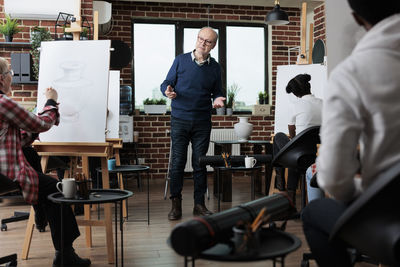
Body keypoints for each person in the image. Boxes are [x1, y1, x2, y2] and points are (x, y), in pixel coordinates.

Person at [301, 0, 400, 266]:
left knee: (314, 212)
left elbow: (334, 181)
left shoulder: (351, 74)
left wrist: (363, 186)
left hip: (391, 221)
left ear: (356, 19)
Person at [0, 57, 91, 267]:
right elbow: (41, 123)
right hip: (5, 174)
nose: (11, 79)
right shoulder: (3, 102)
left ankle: (43, 217)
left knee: (43, 184)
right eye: (10, 75)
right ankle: (65, 256)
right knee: (56, 190)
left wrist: (29, 134)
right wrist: (51, 101)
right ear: (1, 79)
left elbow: (8, 140)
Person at [160, 27, 225, 220]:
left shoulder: (215, 67)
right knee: (178, 163)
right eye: (200, 39)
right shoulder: (180, 60)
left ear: (213, 45)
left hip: (202, 122)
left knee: (199, 164)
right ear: (197, 39)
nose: (203, 43)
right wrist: (167, 91)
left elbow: (218, 91)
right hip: (179, 120)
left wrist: (219, 99)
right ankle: (176, 205)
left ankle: (199, 205)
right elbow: (166, 83)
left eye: (208, 41)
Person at [273, 74, 322, 205]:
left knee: (279, 137)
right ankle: (286, 190)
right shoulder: (324, 104)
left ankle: (281, 185)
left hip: (300, 156)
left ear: (295, 93)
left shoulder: (296, 105)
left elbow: (291, 132)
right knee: (296, 153)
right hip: (318, 154)